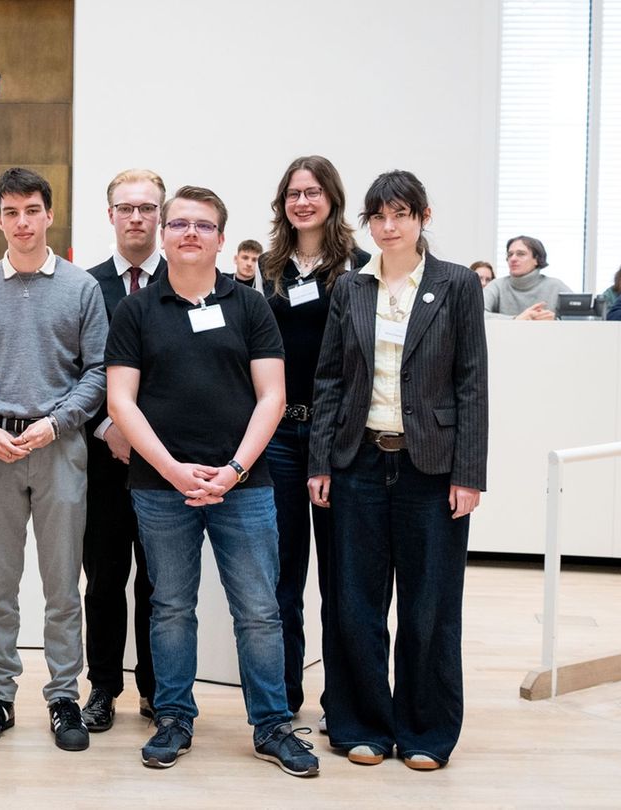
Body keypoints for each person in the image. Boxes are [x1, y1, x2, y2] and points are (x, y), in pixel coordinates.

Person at [104, 184, 317, 777]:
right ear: (164, 235)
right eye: (179, 224)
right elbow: (121, 400)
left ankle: (272, 724)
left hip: (243, 487)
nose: (189, 233)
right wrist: (173, 471)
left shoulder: (250, 306)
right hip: (158, 486)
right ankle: (173, 716)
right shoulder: (136, 309)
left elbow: (272, 396)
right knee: (170, 607)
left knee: (259, 611)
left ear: (222, 238)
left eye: (203, 225)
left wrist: (234, 470)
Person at [308, 169, 488, 771]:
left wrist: (469, 472)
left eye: (401, 215)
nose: (389, 228)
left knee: (429, 603)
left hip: (431, 468)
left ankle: (425, 732)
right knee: (356, 600)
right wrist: (322, 461)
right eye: (378, 217)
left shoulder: (456, 284)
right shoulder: (351, 288)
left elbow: (471, 384)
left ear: (423, 218)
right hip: (358, 461)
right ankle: (361, 723)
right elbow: (329, 379)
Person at [0, 167, 107, 752]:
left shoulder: (81, 288)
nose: (23, 222)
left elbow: (97, 372)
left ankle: (64, 696)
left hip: (60, 446)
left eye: (33, 211)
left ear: (50, 215)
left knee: (63, 583)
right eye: (11, 212)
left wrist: (55, 423)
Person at [257, 155, 370, 736]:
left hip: (340, 440)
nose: (303, 201)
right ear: (283, 203)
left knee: (341, 576)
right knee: (282, 577)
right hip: (279, 435)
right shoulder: (269, 270)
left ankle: (342, 701)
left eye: (313, 191)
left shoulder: (359, 267)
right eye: (293, 193)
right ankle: (283, 696)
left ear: (332, 198)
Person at [80, 169, 164, 732]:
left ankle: (160, 692)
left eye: (147, 207)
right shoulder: (86, 287)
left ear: (161, 214)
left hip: (165, 465)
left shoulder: (183, 283)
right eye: (125, 207)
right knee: (105, 580)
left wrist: (153, 442)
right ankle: (104, 688)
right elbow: (75, 370)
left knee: (161, 584)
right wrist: (107, 425)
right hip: (102, 460)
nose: (136, 217)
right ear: (109, 214)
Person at [482, 235, 570, 320]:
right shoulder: (497, 286)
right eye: (510, 254)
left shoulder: (556, 286)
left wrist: (555, 321)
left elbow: (580, 318)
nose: (513, 259)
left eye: (520, 254)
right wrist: (515, 319)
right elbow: (477, 314)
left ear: (536, 259)